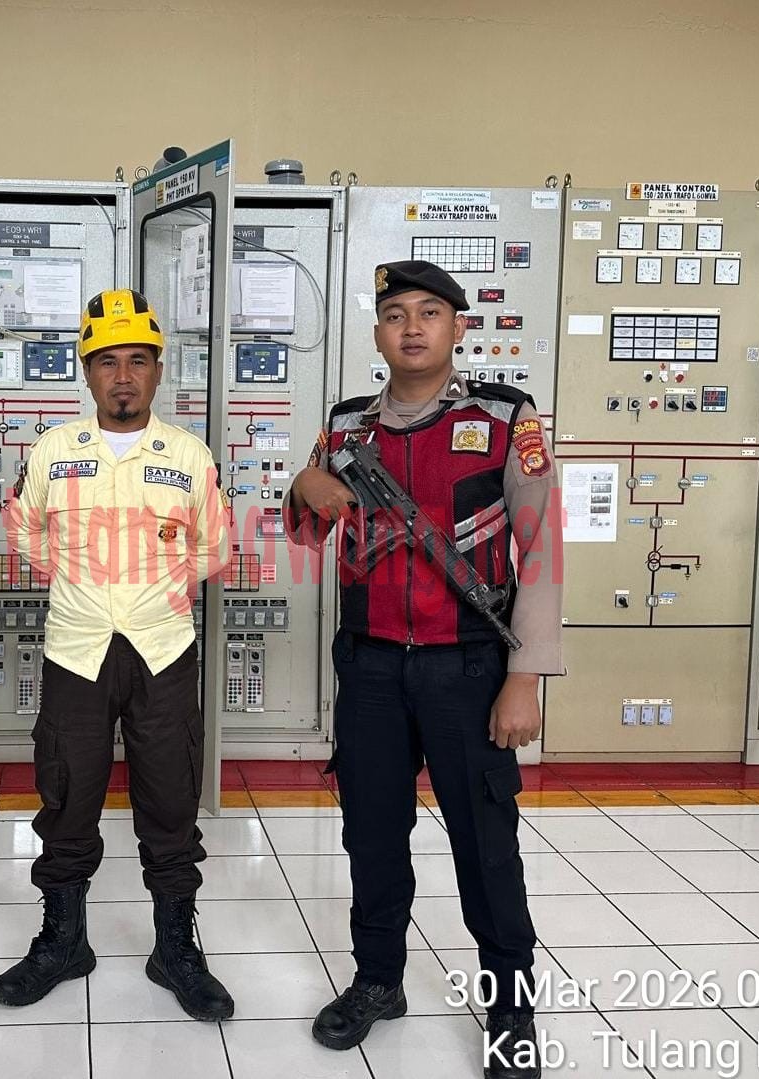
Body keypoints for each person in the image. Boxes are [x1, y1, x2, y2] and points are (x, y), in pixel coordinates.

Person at [286, 261, 563, 1077]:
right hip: (370, 665)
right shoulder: (346, 426)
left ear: (457, 328)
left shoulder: (504, 417)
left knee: (486, 846)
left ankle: (510, 1007)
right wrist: (303, 480)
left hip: (467, 667)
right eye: (395, 314)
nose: (411, 327)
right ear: (377, 333)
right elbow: (304, 532)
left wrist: (525, 675)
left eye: (429, 312)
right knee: (371, 836)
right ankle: (377, 980)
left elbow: (541, 551)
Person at [0, 289, 235, 1021]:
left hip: (163, 649)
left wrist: (155, 588)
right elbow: (23, 529)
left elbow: (213, 547)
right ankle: (63, 941)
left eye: (136, 361)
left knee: (171, 800)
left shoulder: (188, 455)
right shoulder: (54, 450)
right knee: (67, 797)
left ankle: (175, 949)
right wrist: (78, 580)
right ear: (86, 371)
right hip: (76, 649)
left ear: (158, 370)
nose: (122, 376)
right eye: (106, 362)